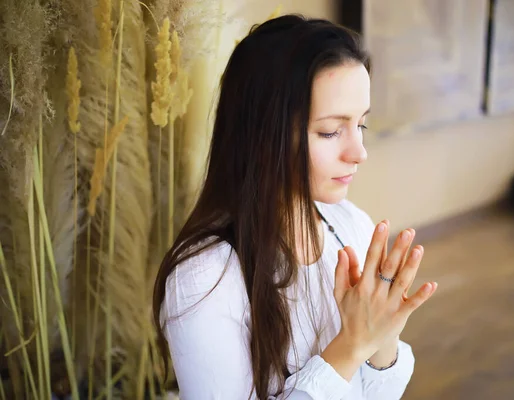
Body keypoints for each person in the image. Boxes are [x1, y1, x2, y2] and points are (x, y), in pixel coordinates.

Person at [152, 14, 438, 400]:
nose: (359, 153)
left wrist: (383, 336)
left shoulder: (351, 226)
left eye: (361, 125)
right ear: (262, 135)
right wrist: (352, 344)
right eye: (331, 131)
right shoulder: (205, 279)